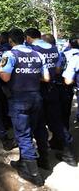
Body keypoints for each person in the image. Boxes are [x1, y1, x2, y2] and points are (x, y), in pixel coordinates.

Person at [0, 29, 49, 186]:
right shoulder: (38, 55)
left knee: (23, 135)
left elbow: (5, 77)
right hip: (36, 97)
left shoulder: (10, 55)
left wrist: (0, 69)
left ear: (11, 41)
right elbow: (46, 78)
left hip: (19, 99)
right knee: (33, 130)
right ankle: (26, 161)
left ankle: (34, 175)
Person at [25, 28, 77, 167]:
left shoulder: (31, 49)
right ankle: (69, 153)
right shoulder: (55, 49)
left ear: (29, 38)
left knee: (38, 124)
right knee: (56, 121)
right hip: (53, 88)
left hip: (38, 89)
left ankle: (43, 158)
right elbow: (58, 69)